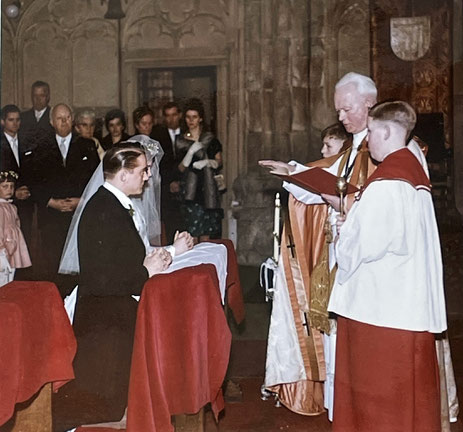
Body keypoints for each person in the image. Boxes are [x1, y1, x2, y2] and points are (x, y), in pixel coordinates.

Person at [259, 72, 377, 419]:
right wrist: (293, 172)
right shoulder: (355, 146)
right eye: (338, 110)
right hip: (341, 250)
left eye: (346, 109)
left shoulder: (378, 148)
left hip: (365, 255)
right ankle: (338, 405)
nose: (340, 117)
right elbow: (328, 177)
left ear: (369, 104)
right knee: (335, 330)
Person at [53, 141, 192, 431]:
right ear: (124, 174)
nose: (148, 177)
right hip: (105, 324)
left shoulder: (115, 203)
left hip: (112, 313)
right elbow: (102, 278)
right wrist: (146, 271)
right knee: (100, 409)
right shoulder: (103, 209)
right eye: (143, 170)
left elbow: (121, 260)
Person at [327, 101, 447, 431]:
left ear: (386, 131)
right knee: (408, 405)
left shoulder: (386, 184)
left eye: (371, 134)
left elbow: (354, 253)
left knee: (378, 410)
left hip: (378, 314)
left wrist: (344, 228)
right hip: (406, 310)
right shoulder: (415, 179)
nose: (367, 142)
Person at [33, 103, 100, 290]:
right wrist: (51, 202)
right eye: (59, 119)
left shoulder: (87, 145)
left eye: (67, 118)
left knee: (79, 265)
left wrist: (81, 201)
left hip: (78, 216)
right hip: (51, 218)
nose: (64, 122)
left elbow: (97, 179)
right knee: (53, 265)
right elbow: (34, 181)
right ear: (52, 122)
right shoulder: (41, 147)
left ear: (73, 120)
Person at [176, 98, 224, 242]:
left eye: (194, 117)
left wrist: (209, 162)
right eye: (188, 117)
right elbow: (180, 168)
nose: (191, 121)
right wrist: (190, 153)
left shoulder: (210, 139)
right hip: (190, 192)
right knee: (192, 234)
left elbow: (219, 161)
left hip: (207, 191)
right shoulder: (180, 140)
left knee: (206, 235)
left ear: (201, 118)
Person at [0, 105, 35, 252]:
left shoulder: (27, 142)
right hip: (4, 203)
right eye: (11, 120)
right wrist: (14, 193)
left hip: (26, 202)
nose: (15, 123)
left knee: (23, 241)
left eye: (18, 120)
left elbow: (34, 170)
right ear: (2, 122)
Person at [151, 101, 185, 243]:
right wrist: (170, 181)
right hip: (166, 186)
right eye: (167, 116)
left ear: (180, 115)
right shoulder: (157, 134)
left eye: (174, 115)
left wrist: (180, 181)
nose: (171, 119)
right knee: (171, 225)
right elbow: (158, 162)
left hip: (186, 185)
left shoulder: (186, 132)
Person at [0, 171, 31, 286]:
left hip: (13, 247)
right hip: (3, 250)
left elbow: (16, 225)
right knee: (2, 276)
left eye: (12, 187)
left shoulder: (12, 207)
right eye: (5, 186)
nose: (9, 190)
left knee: (10, 277)